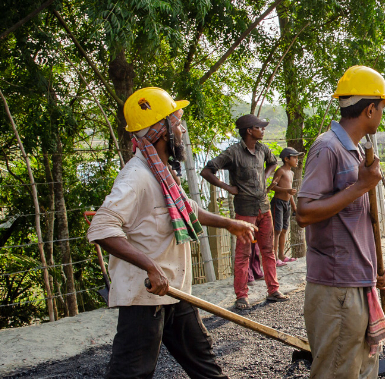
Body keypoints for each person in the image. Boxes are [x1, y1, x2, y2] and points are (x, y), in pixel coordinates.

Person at [88, 87, 258, 379]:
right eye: (177, 123)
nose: (181, 130)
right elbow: (102, 228)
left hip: (175, 291)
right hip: (145, 296)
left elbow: (188, 208)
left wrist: (229, 223)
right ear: (162, 131)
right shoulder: (136, 176)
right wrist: (150, 267)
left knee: (204, 364)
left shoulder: (162, 173)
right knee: (132, 372)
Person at [296, 65, 385, 379]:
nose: (382, 114)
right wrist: (362, 186)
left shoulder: (354, 152)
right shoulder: (328, 148)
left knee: (362, 369)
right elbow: (304, 212)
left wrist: (373, 267)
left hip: (357, 280)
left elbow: (355, 224)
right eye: (381, 108)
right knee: (337, 372)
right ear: (369, 109)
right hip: (336, 288)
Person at [200, 114, 289, 310]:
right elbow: (207, 171)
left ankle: (273, 290)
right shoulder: (232, 152)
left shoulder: (261, 149)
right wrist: (227, 187)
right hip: (245, 209)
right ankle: (241, 296)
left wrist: (264, 175)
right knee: (243, 254)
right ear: (249, 130)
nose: (263, 130)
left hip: (264, 207)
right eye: (260, 127)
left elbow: (272, 162)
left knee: (268, 251)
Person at [268, 147, 303, 267]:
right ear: (286, 159)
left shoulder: (292, 173)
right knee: (277, 231)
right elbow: (273, 187)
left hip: (287, 204)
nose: (297, 160)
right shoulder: (280, 171)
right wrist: (286, 190)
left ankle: (282, 255)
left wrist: (294, 208)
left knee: (283, 230)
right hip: (278, 202)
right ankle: (274, 257)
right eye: (294, 157)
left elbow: (290, 193)